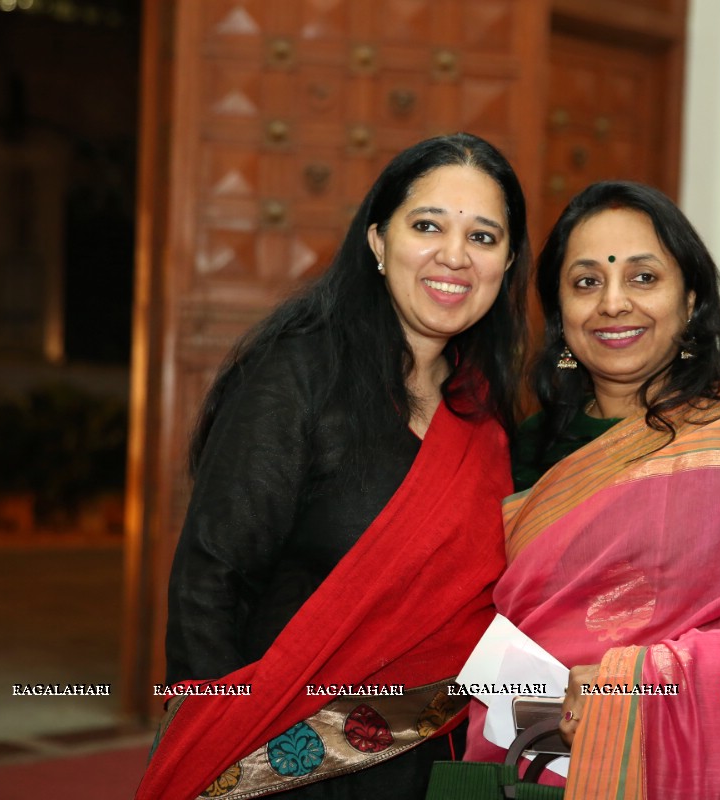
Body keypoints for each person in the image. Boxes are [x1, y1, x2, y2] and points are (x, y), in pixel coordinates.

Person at [462, 182, 720, 799]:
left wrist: (639, 684)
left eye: (643, 278)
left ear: (689, 300)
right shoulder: (519, 449)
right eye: (586, 282)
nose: (613, 303)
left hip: (686, 773)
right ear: (558, 310)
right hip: (523, 762)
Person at [136, 133, 530, 800]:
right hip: (284, 762)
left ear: (507, 260)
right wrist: (222, 755)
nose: (455, 256)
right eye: (427, 225)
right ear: (378, 241)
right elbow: (210, 581)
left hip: (437, 761)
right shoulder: (297, 376)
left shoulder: (488, 414)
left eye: (484, 237)